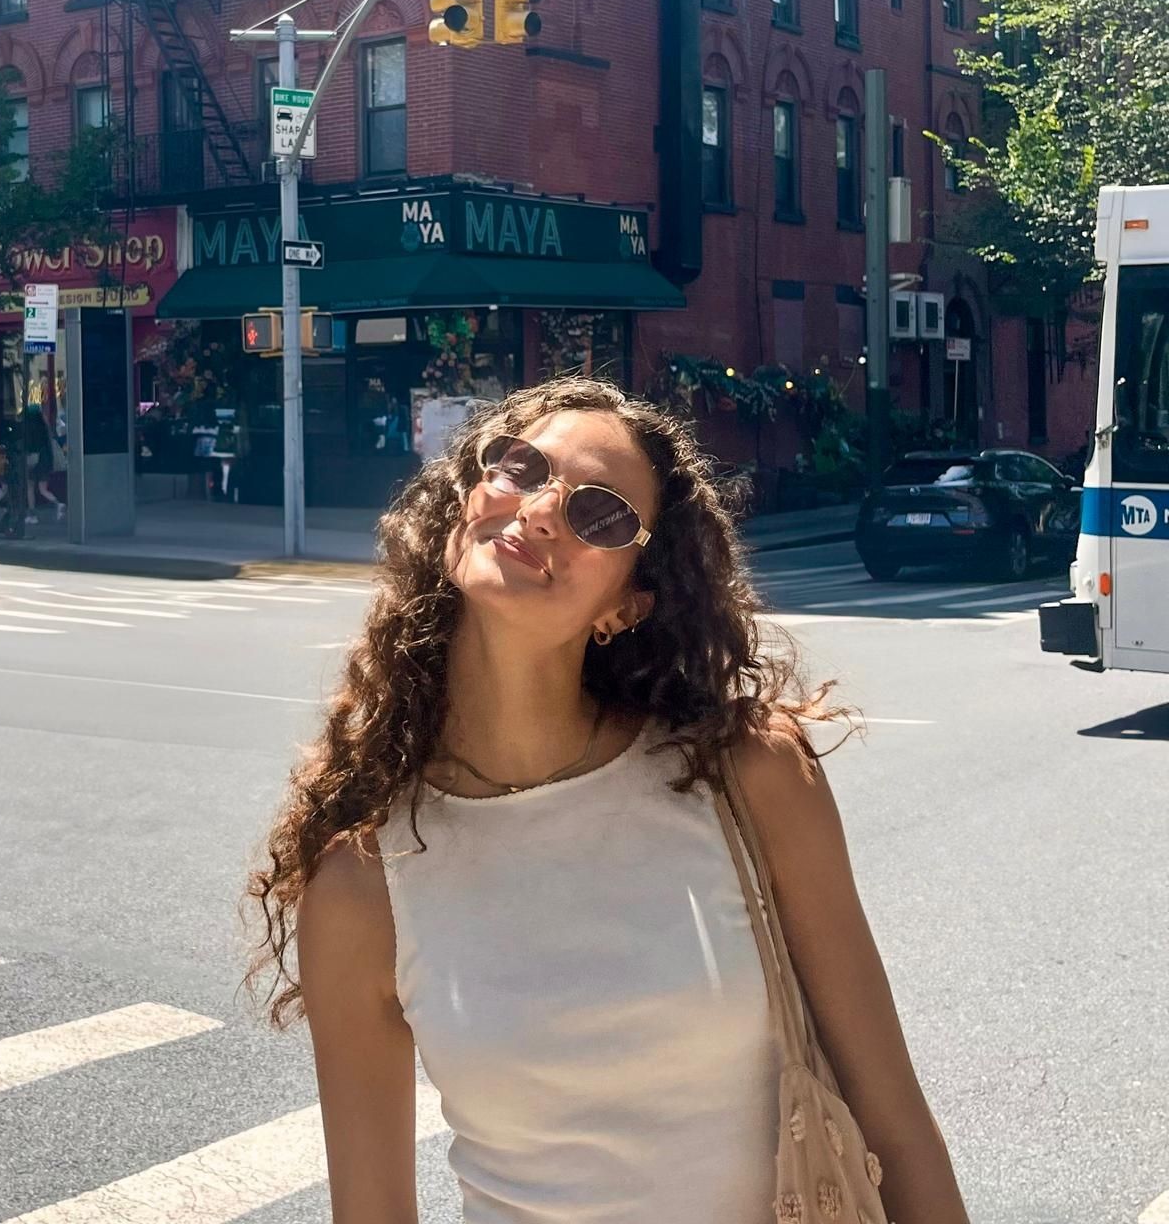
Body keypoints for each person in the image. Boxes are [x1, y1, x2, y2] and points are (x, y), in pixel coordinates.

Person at [245, 376, 970, 1224]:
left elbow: (894, 1119)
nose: (541, 510)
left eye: (601, 514)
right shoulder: (364, 884)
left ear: (626, 604)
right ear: (463, 504)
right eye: (520, 468)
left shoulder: (748, 775)